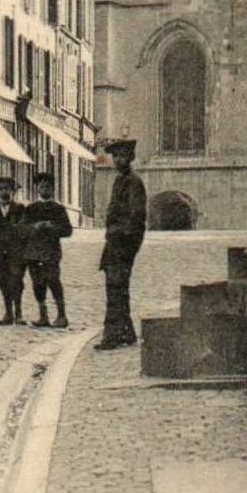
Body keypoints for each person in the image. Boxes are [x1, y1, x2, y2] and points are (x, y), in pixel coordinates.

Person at [95, 139, 147, 350]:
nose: (118, 160)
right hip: (115, 242)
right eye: (115, 156)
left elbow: (136, 216)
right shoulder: (120, 180)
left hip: (122, 244)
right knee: (117, 288)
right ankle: (127, 334)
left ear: (131, 158)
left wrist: (121, 237)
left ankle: (112, 336)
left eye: (122, 156)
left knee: (116, 288)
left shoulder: (133, 182)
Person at [22, 170, 73, 328]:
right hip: (34, 252)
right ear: (38, 188)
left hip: (51, 252)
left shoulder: (58, 209)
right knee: (37, 283)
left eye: (48, 187)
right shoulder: (30, 208)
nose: (45, 190)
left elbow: (67, 230)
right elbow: (21, 229)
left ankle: (62, 315)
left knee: (53, 281)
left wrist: (52, 227)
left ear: (53, 189)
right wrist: (34, 227)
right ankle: (43, 315)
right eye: (42, 187)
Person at [0, 175, 27, 325]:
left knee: (16, 281)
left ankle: (19, 313)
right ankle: (8, 313)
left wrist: (21, 248)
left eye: (7, 189)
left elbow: (24, 230)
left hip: (16, 253)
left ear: (13, 191)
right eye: (0, 189)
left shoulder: (20, 209)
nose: (3, 192)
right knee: (3, 282)